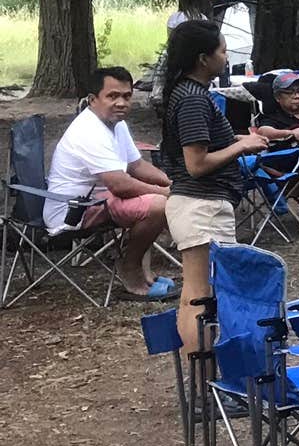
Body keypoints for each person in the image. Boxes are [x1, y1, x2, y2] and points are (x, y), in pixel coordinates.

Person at [158, 20, 271, 350]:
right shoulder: (193, 99)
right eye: (222, 51)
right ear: (203, 59)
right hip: (201, 207)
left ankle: (204, 383)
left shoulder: (189, 94)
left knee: (197, 295)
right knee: (200, 297)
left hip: (199, 205)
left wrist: (238, 138)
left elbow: (201, 143)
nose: (226, 56)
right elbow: (196, 164)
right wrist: (240, 147)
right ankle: (204, 383)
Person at [44, 66, 172, 298]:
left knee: (157, 198)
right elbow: (120, 185)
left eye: (126, 96)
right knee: (157, 205)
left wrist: (172, 183)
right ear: (93, 100)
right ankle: (130, 270)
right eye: (112, 96)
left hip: (100, 199)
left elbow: (136, 166)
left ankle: (146, 274)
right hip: (73, 209)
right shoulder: (89, 130)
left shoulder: (116, 124)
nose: (121, 103)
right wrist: (167, 193)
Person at [253, 69, 299, 142]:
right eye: (290, 92)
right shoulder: (275, 119)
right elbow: (263, 132)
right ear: (278, 97)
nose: (297, 96)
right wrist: (291, 133)